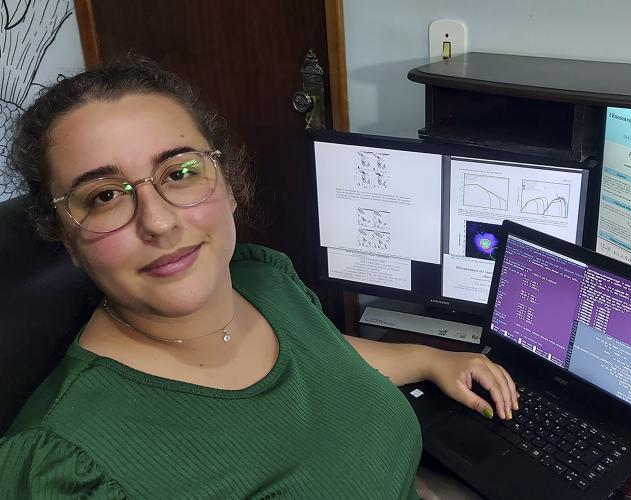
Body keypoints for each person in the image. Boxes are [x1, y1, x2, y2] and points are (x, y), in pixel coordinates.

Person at [0, 57, 518, 498]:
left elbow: (329, 357)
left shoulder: (263, 281)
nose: (158, 222)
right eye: (105, 196)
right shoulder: (64, 461)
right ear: (65, 240)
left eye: (180, 172)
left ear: (227, 185)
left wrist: (432, 358)